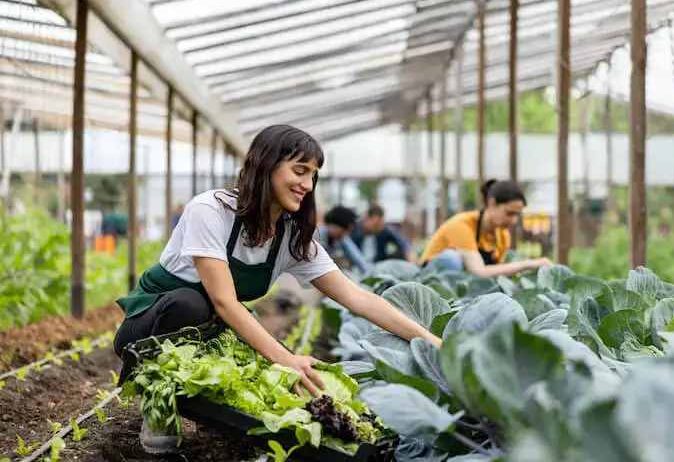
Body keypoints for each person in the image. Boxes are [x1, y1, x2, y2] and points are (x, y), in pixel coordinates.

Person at [112, 125, 442, 455]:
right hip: (149, 328)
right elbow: (225, 303)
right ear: (266, 165)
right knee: (191, 304)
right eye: (299, 171)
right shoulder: (210, 210)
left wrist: (432, 343)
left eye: (313, 176)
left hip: (213, 332)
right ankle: (158, 403)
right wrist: (286, 358)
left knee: (271, 374)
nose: (306, 185)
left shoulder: (290, 236)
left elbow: (357, 298)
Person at [419, 179, 553, 276]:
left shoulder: (502, 236)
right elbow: (478, 272)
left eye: (517, 215)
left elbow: (495, 275)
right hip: (430, 281)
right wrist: (526, 264)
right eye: (509, 213)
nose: (513, 220)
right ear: (492, 203)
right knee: (451, 259)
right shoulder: (461, 224)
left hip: (463, 287)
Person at [348, 204, 418, 264]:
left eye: (381, 224)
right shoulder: (352, 229)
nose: (379, 228)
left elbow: (404, 244)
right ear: (366, 218)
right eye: (376, 224)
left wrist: (411, 261)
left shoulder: (384, 230)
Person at [315, 205, 372, 273]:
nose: (346, 234)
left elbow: (357, 257)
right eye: (346, 231)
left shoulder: (341, 238)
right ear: (335, 226)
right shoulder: (315, 237)